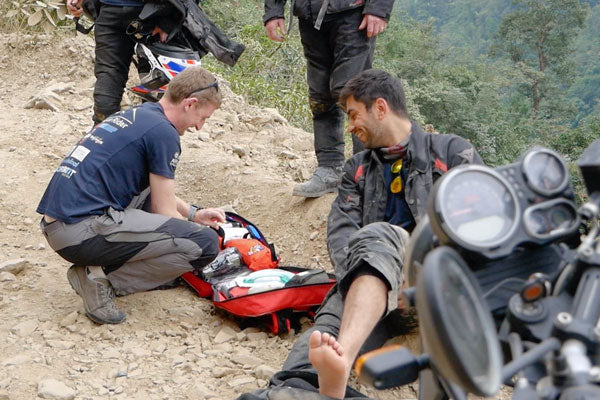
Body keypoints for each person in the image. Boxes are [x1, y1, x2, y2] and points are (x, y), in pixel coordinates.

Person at [238, 69, 483, 400]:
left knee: (382, 235)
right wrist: (372, 277)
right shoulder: (356, 170)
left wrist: (420, 279)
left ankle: (342, 359)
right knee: (306, 363)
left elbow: (479, 226)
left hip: (438, 291)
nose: (350, 127)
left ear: (380, 108)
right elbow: (342, 237)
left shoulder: (453, 154)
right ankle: (312, 383)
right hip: (374, 288)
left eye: (354, 115)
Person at [36, 66, 225, 325]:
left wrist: (193, 213)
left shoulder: (143, 115)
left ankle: (99, 270)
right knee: (203, 244)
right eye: (203, 118)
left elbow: (155, 190)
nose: (200, 127)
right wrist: (199, 241)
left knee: (171, 218)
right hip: (80, 230)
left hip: (60, 224)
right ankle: (100, 278)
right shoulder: (164, 133)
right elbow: (164, 210)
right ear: (190, 104)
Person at [263, 0, 395, 198]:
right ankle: (329, 168)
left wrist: (378, 8)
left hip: (352, 13)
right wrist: (273, 11)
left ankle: (370, 171)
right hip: (309, 15)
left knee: (351, 92)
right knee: (320, 94)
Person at [66, 0, 167, 124]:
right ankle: (149, 136)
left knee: (110, 83)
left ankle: (102, 137)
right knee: (158, 87)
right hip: (152, 12)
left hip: (119, 10)